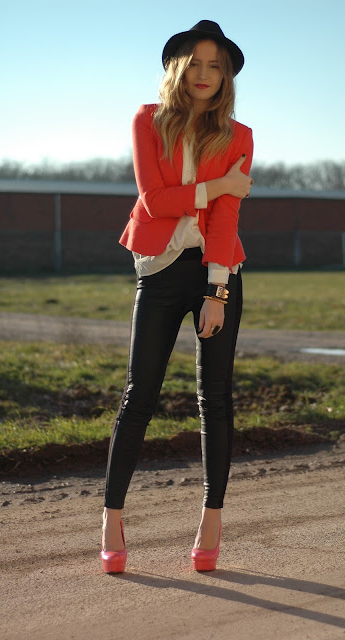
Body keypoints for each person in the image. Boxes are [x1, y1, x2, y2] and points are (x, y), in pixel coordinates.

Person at [101, 19, 253, 574]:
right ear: (178, 68)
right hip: (161, 270)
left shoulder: (238, 136)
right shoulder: (148, 120)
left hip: (217, 272)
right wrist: (218, 186)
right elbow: (154, 200)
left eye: (217, 66)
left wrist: (218, 291)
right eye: (196, 63)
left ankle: (211, 521)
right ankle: (111, 520)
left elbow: (226, 219)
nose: (205, 74)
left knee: (216, 398)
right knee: (139, 395)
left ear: (226, 75)